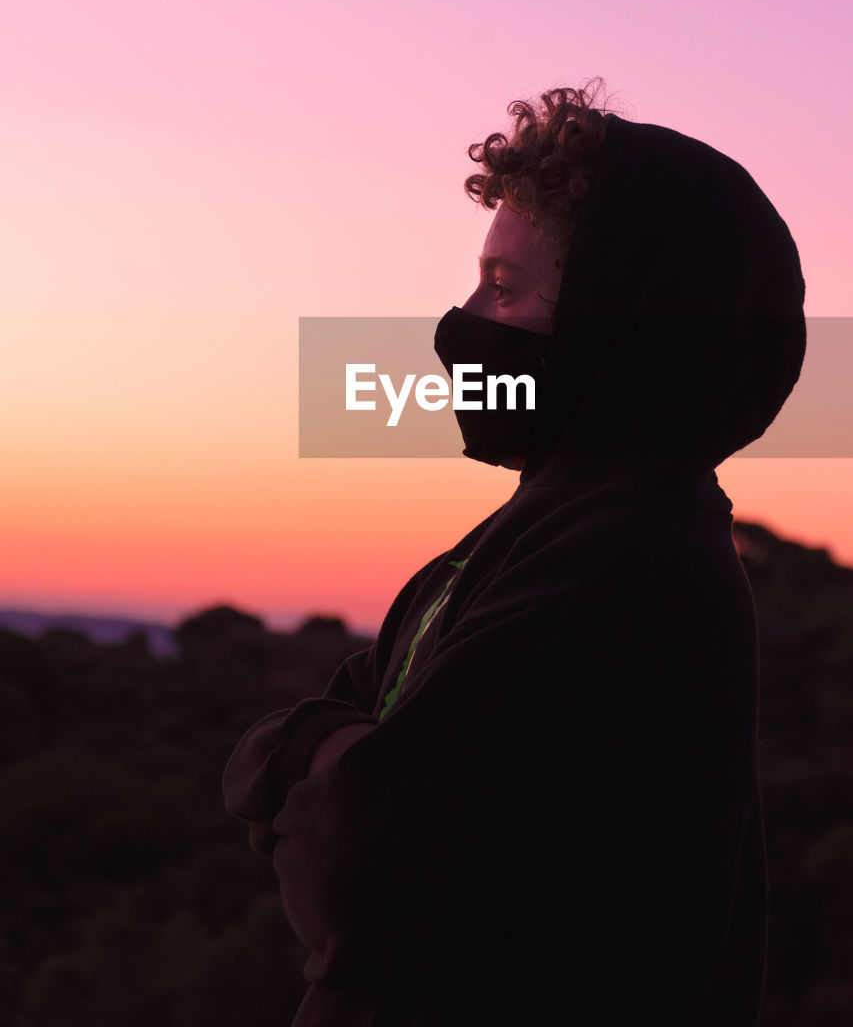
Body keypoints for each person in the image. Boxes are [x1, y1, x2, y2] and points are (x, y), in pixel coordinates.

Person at [222, 81, 807, 1026]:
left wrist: (289, 750)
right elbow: (350, 752)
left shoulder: (626, 563)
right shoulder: (534, 536)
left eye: (505, 288)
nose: (461, 325)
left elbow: (361, 870)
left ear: (620, 324)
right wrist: (320, 752)